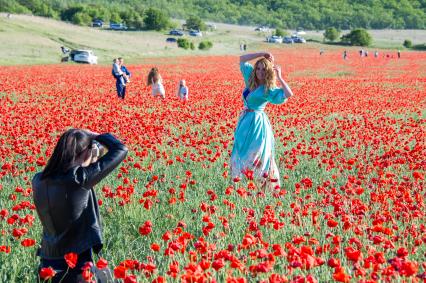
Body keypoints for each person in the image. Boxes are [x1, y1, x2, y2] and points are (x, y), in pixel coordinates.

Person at [33, 129, 128, 283]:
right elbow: (121, 149)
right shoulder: (78, 179)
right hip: (76, 267)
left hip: (47, 264)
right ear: (85, 153)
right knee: (109, 277)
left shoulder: (38, 180)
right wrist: (96, 136)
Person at [231, 52, 294, 189]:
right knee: (241, 150)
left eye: (264, 69)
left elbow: (289, 94)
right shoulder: (250, 80)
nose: (260, 71)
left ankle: (260, 184)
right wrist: (262, 54)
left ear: (268, 72)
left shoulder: (268, 89)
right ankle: (242, 182)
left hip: (257, 123)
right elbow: (242, 59)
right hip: (244, 122)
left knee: (257, 153)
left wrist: (280, 77)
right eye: (258, 68)